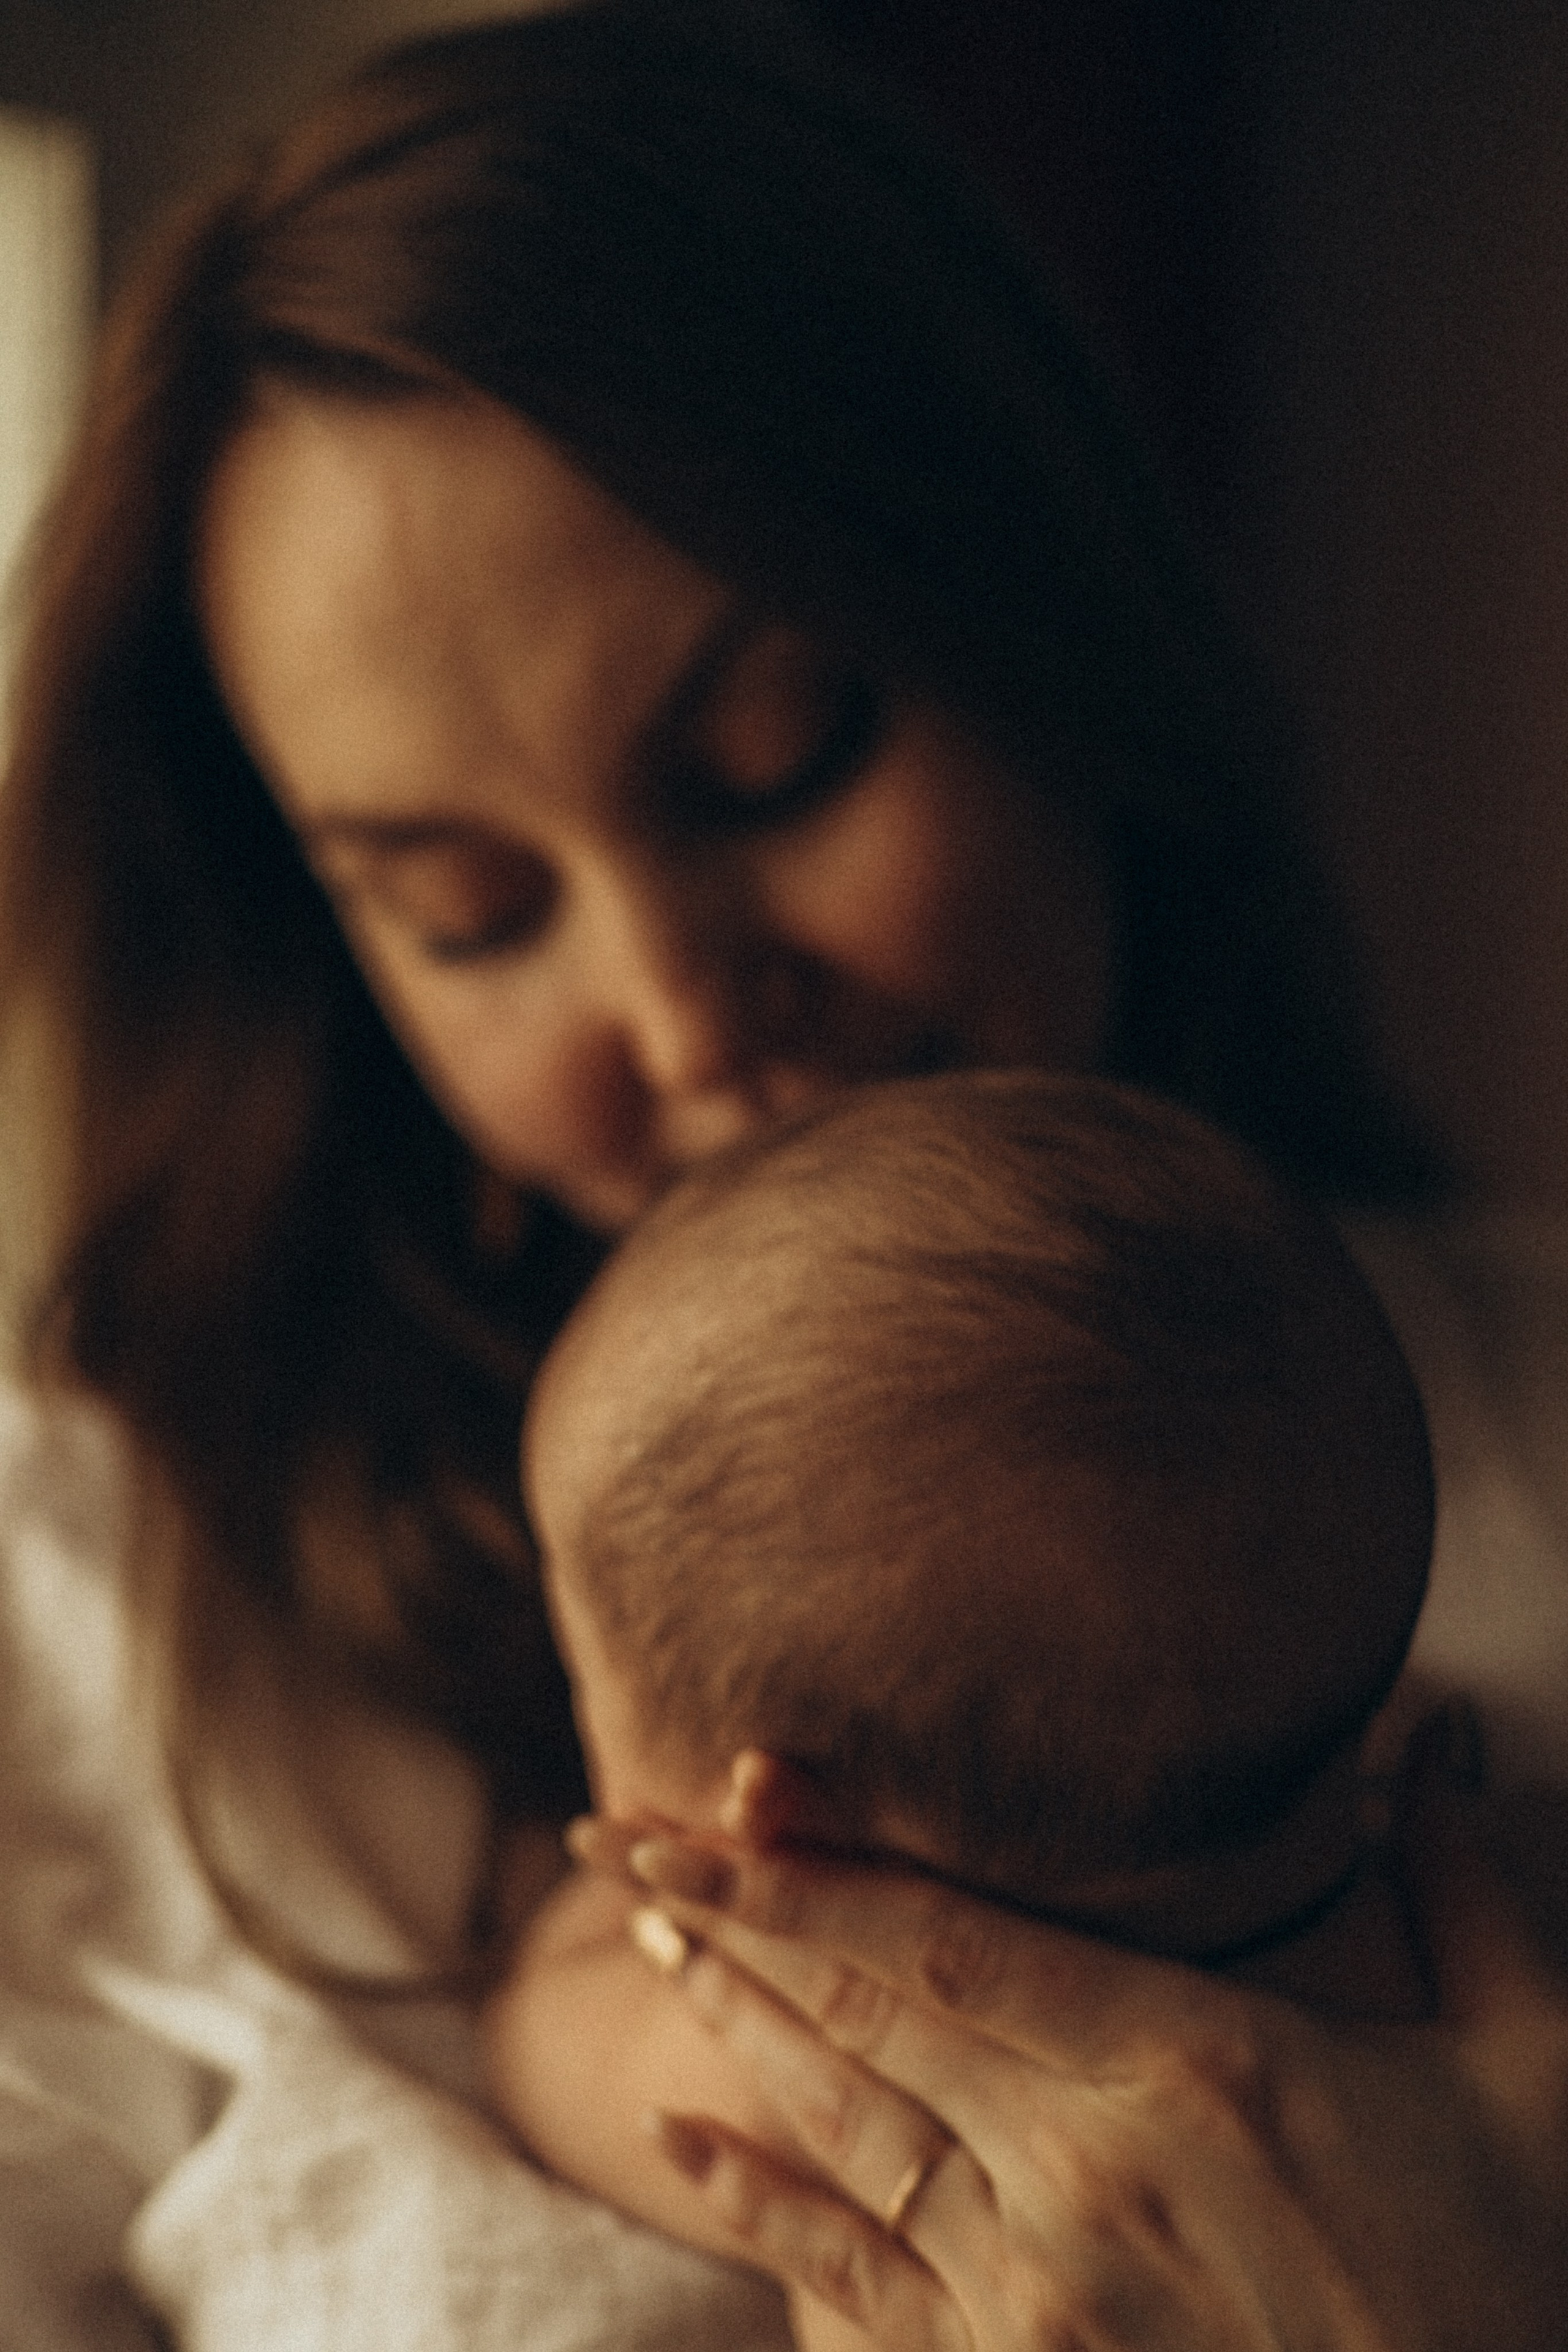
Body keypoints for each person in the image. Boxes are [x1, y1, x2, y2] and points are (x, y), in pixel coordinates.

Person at [0, 0, 1562, 2343]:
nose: (678, 1014)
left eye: (776, 753)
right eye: (466, 909)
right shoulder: (90, 1610)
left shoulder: (1507, 1424)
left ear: (1046, 608)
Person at [485, 1069, 1441, 2351]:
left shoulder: (799, 2074)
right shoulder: (1478, 1948)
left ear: (768, 1826)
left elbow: (531, 2037)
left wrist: (647, 1912)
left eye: (578, 1670)